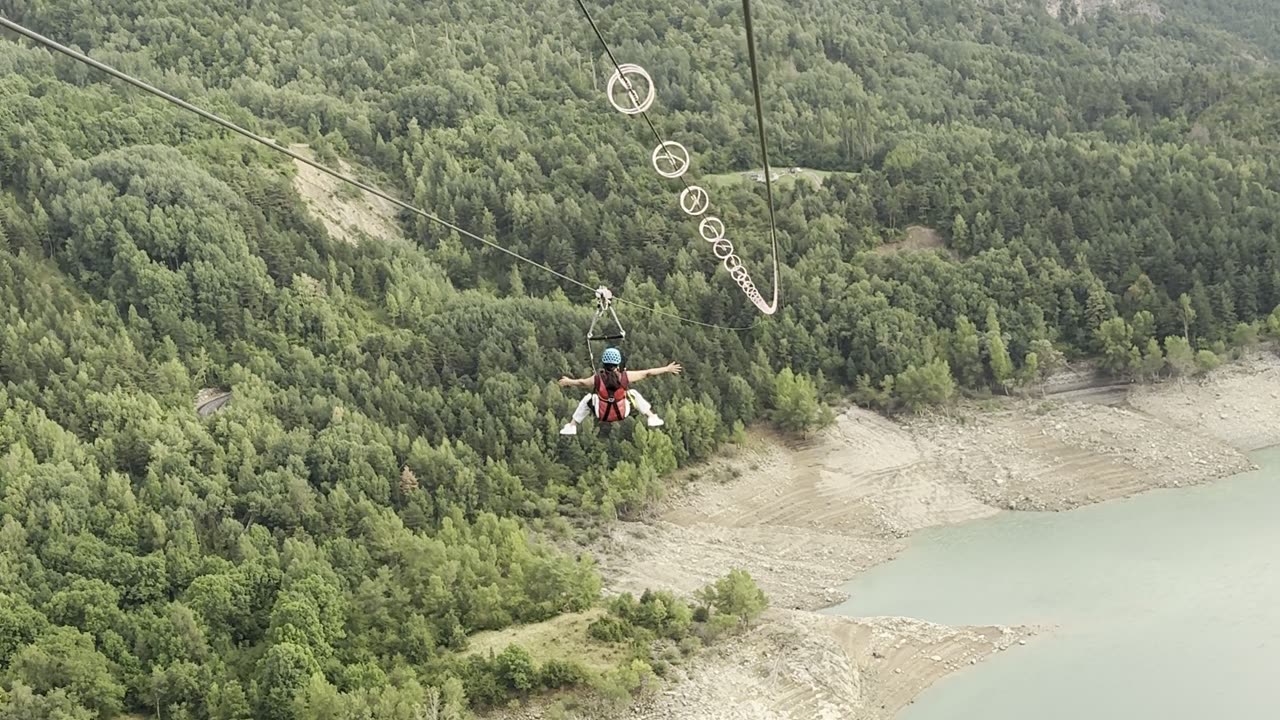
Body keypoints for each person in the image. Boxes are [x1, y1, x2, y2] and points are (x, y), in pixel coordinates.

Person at [558, 347, 682, 435]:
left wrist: (569, 381)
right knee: (632, 393)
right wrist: (666, 369)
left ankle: (572, 425)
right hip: (622, 412)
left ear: (604, 363)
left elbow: (581, 382)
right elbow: (647, 373)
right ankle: (651, 417)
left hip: (602, 413)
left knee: (588, 398)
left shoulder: (597, 379)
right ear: (618, 364)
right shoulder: (625, 376)